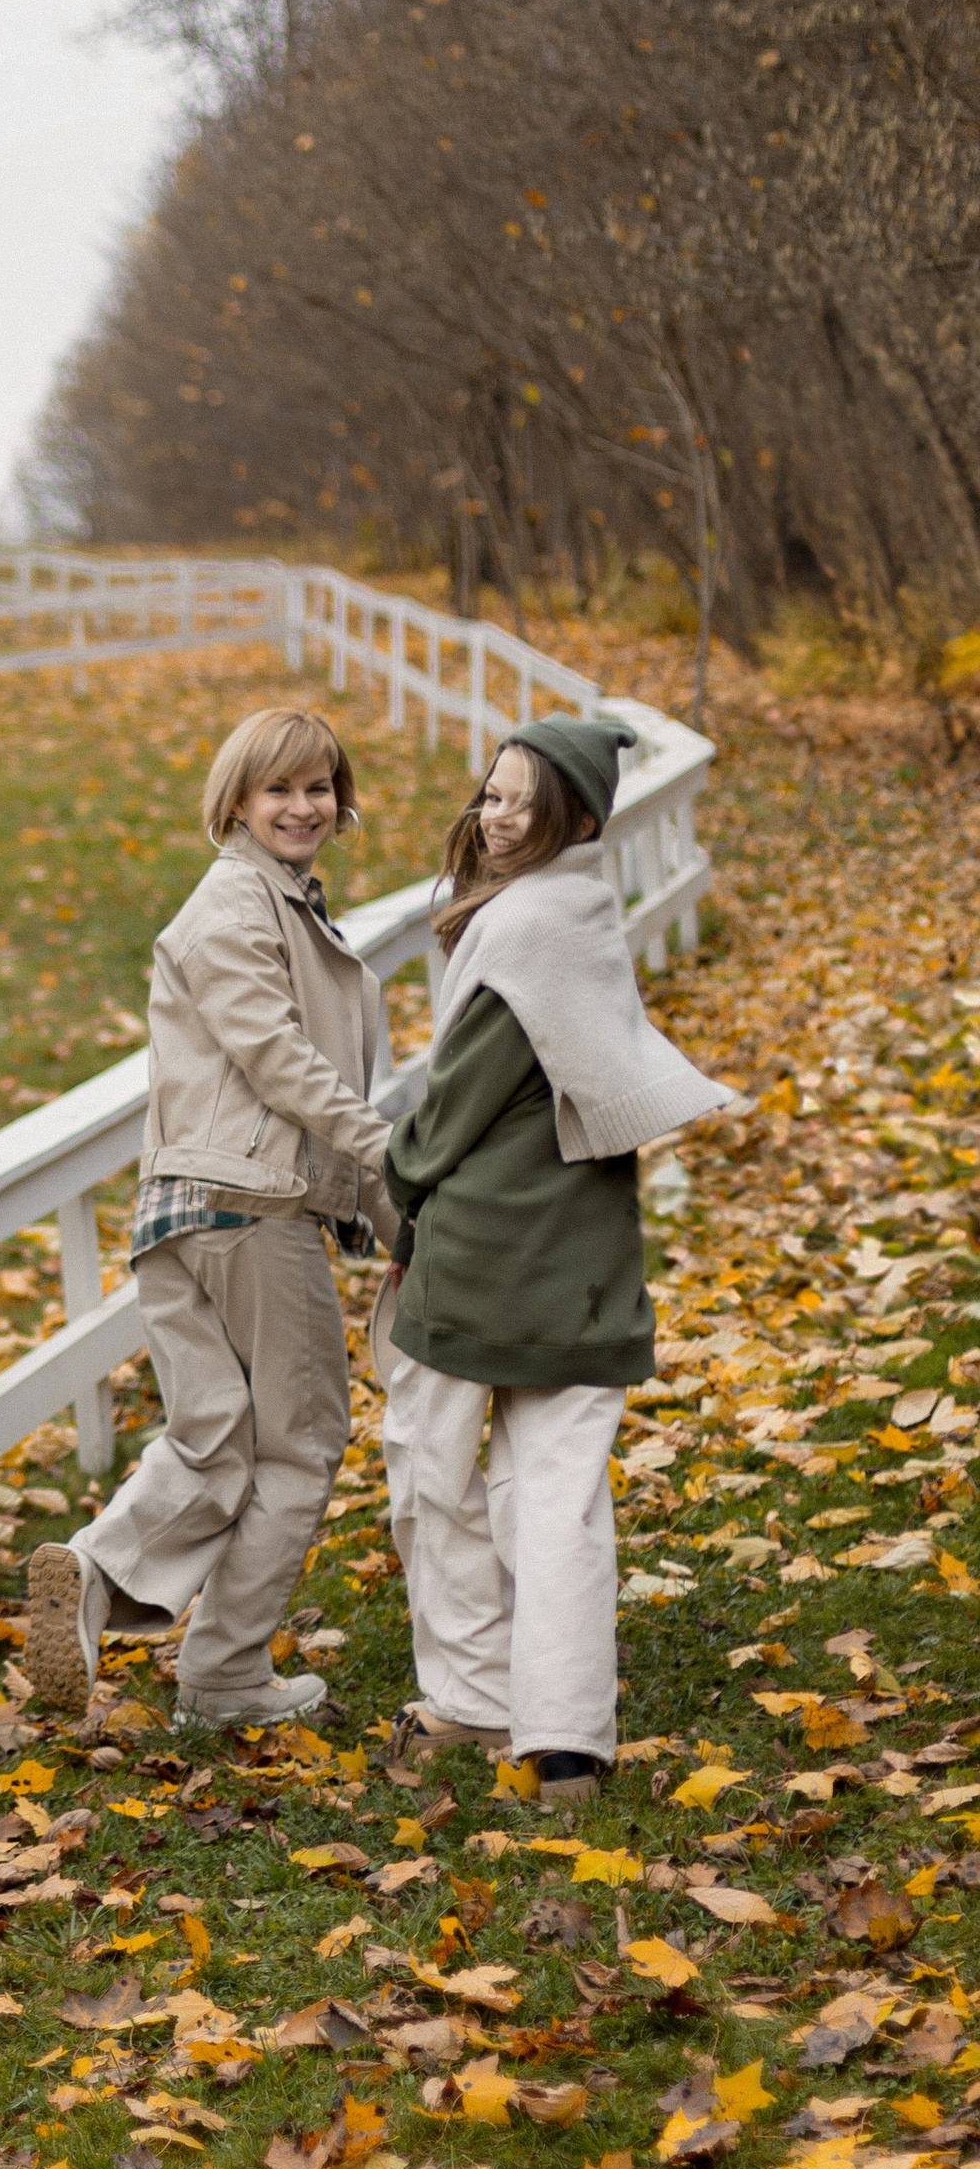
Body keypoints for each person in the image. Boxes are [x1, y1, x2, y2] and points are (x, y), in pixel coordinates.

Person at [378, 711, 736, 1808]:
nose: (495, 815)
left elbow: (452, 1108)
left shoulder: (520, 926)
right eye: (489, 793)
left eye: (521, 799)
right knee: (560, 1495)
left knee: (430, 1473)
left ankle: (474, 1695)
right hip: (583, 1255)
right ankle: (566, 1743)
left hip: (482, 1248)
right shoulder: (582, 912)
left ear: (572, 815)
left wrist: (391, 1192)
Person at [24, 704, 397, 1735]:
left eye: (319, 785)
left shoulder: (277, 904)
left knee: (212, 1440)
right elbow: (278, 1061)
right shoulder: (234, 908)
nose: (303, 805)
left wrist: (390, 1212)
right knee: (302, 1442)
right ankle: (225, 1676)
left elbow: (293, 1076)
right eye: (278, 787)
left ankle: (92, 1581)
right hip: (247, 1211)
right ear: (235, 799)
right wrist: (385, 1150)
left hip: (178, 1217)